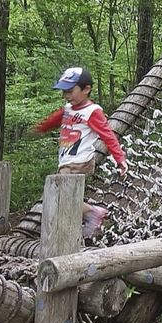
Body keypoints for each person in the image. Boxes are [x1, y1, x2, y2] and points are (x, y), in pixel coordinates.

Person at [33, 67, 128, 239]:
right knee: (63, 197)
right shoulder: (69, 109)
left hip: (80, 161)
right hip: (67, 161)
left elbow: (108, 135)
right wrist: (41, 128)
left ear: (86, 89)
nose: (66, 96)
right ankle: (84, 223)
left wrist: (119, 158)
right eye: (64, 92)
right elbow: (55, 119)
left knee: (60, 196)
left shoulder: (92, 112)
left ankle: (92, 213)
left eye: (70, 91)